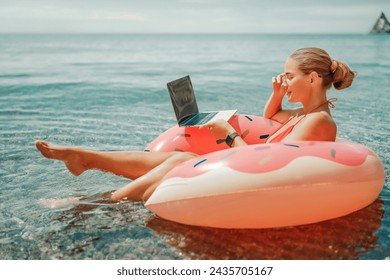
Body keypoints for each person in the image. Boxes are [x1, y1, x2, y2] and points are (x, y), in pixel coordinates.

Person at [35, 47, 356, 204]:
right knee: (177, 159)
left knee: (181, 161)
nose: (284, 82)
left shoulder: (317, 123)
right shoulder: (303, 116)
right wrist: (276, 94)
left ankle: (101, 203)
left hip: (258, 188)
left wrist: (228, 135)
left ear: (312, 78)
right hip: (250, 174)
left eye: (289, 77)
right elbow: (273, 117)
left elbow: (268, 166)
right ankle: (87, 159)